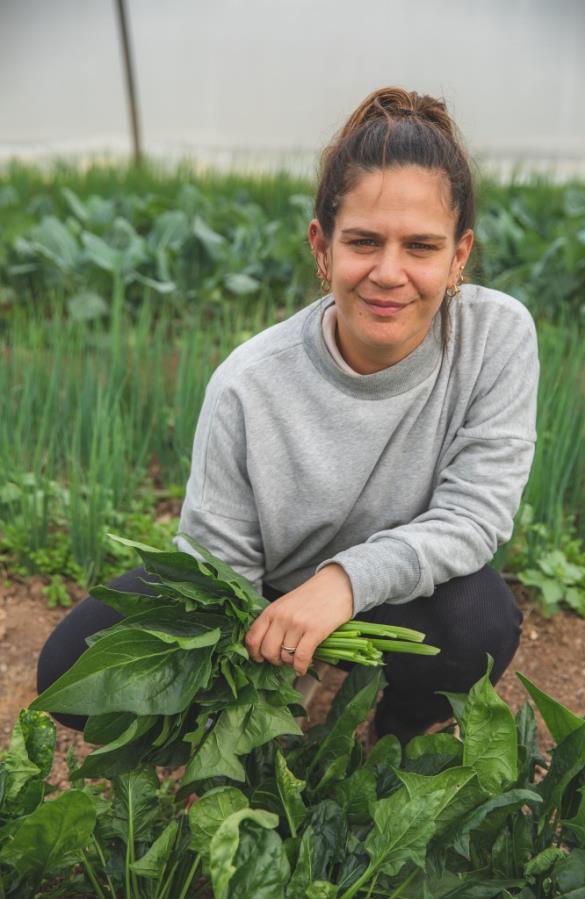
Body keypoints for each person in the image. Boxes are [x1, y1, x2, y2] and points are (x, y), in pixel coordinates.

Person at [37, 87, 539, 744]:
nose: (390, 272)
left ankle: (394, 727)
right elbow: (219, 567)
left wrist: (343, 581)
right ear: (322, 248)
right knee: (72, 666)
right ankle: (286, 704)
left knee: (477, 619)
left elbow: (474, 517)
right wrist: (247, 711)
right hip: (264, 589)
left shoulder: (495, 337)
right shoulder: (250, 384)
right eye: (363, 241)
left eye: (421, 246)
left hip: (401, 589)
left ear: (459, 256)